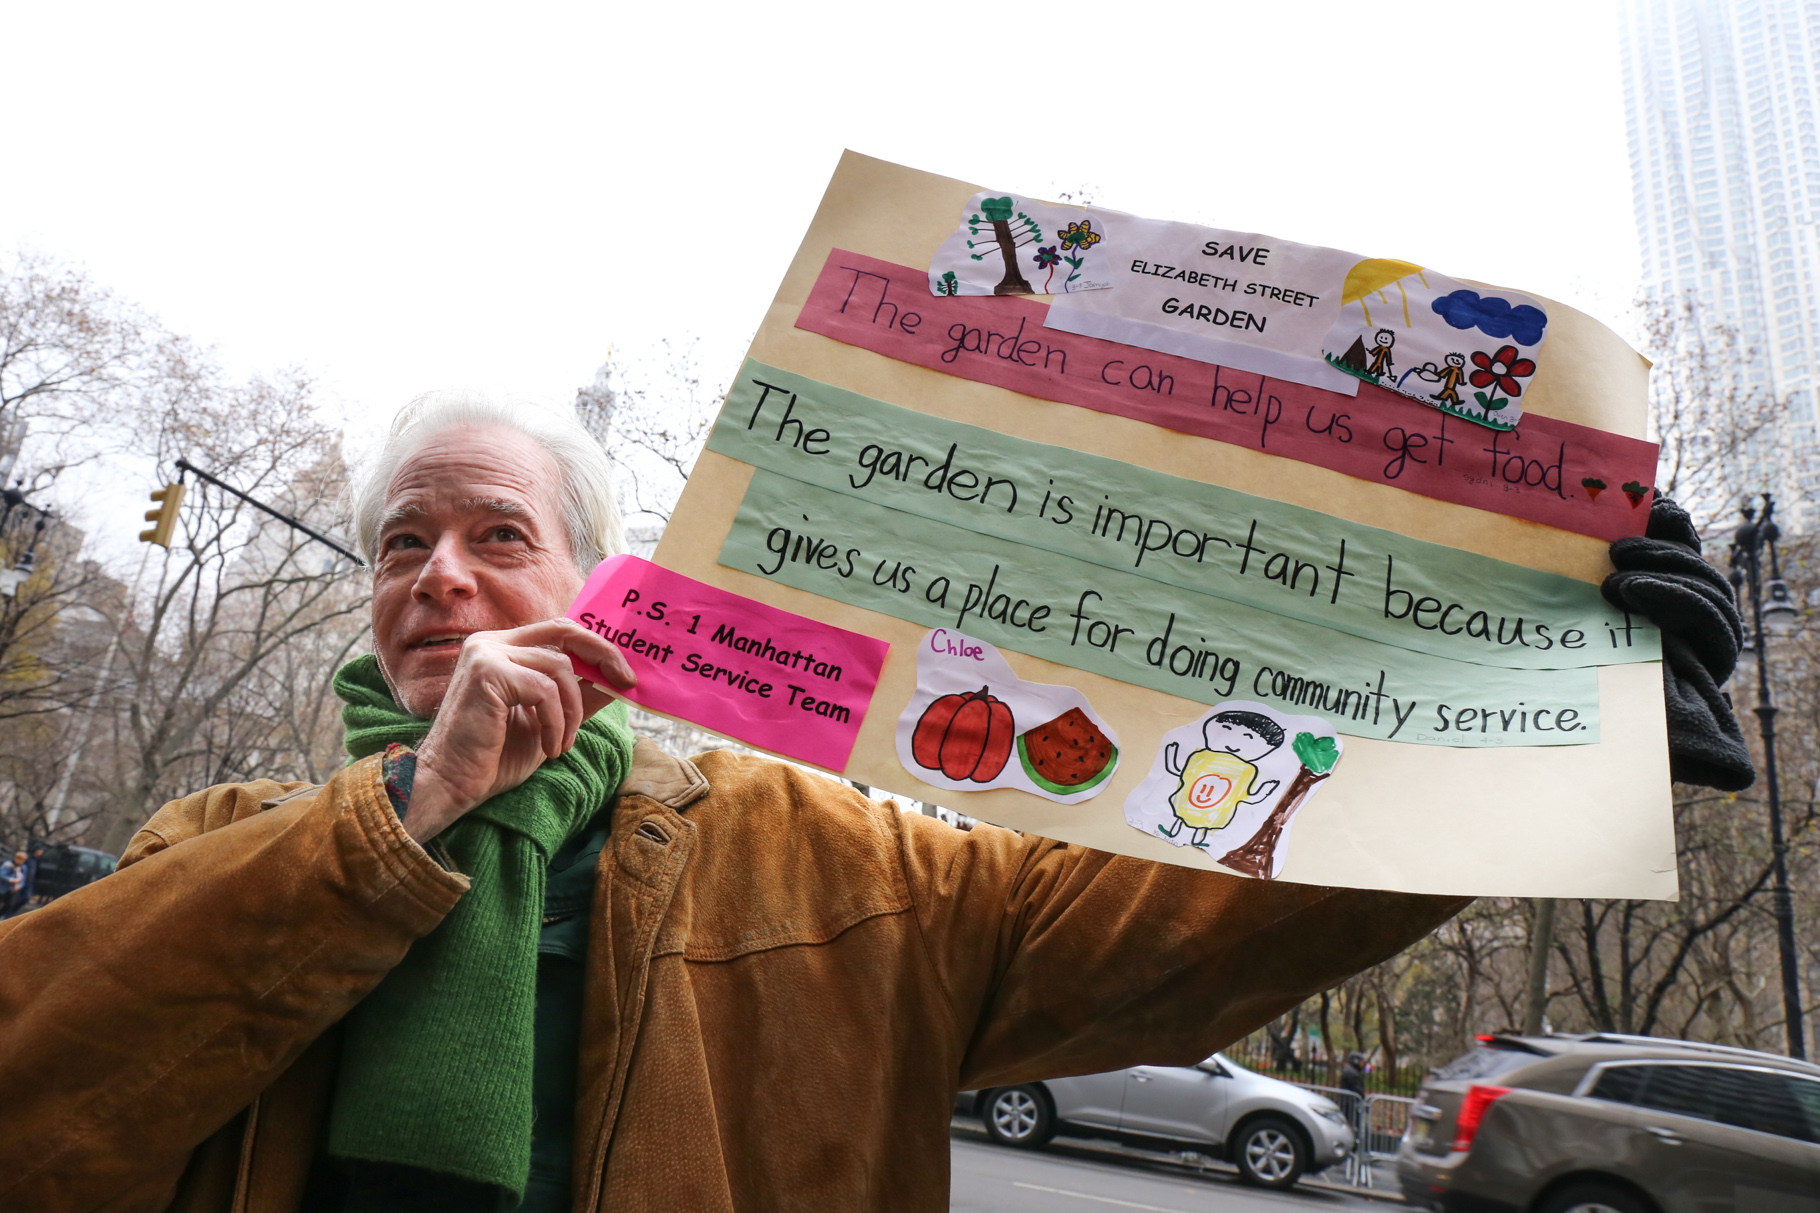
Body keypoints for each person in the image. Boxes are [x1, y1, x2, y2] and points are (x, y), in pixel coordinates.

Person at [0, 392, 1745, 1212]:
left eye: (494, 534)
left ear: (594, 586)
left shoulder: (824, 856)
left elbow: (1182, 922)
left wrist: (1536, 736)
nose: (437, 576)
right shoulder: (217, 846)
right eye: (402, 545)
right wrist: (396, 824)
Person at [0, 851, 25, 918]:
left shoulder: (22, 868)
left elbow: (23, 878)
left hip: (13, 889)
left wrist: (20, 885)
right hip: (3, 887)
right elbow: (2, 874)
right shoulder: (8, 865)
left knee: (10, 904)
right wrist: (11, 879)